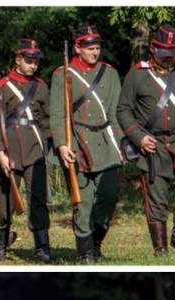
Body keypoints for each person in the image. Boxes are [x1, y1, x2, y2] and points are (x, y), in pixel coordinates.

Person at [117, 25, 175, 256]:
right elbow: (123, 110)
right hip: (152, 145)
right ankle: (160, 249)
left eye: (171, 52)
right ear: (153, 49)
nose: (168, 58)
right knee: (156, 199)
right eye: (163, 53)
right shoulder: (137, 73)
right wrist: (138, 138)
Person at [51, 25, 123, 264]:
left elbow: (115, 113)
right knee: (83, 201)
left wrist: (120, 142)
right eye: (90, 48)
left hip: (105, 142)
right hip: (77, 142)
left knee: (109, 194)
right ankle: (85, 252)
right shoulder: (63, 74)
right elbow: (58, 114)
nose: (95, 52)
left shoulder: (109, 73)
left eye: (97, 47)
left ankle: (97, 241)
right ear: (77, 48)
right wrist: (62, 144)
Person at [0, 39, 53, 262]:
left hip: (35, 148)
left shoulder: (41, 86)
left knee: (38, 198)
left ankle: (42, 246)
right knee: (4, 201)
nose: (32, 65)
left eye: (35, 61)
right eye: (28, 61)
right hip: (9, 149)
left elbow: (46, 120)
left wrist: (48, 143)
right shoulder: (2, 86)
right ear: (18, 60)